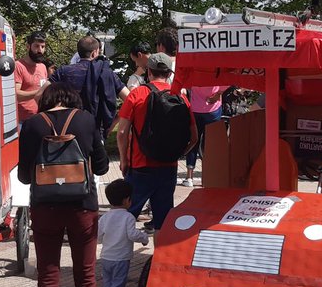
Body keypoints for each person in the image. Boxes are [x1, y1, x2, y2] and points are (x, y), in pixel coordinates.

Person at [16, 83, 109, 287]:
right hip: (82, 205)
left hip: (45, 207)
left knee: (47, 278)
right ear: (72, 99)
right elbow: (103, 166)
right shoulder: (86, 119)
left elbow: (23, 176)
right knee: (85, 275)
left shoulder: (31, 125)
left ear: (47, 100)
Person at [116, 53, 197, 233]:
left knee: (127, 216)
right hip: (168, 166)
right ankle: (158, 259)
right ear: (169, 73)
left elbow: (121, 132)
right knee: (163, 222)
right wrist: (178, 153)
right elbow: (194, 137)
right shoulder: (181, 97)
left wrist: (123, 160)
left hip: (139, 165)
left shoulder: (137, 94)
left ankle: (120, 259)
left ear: (148, 72)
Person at [51, 34, 128, 140]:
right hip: (96, 129)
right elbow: (129, 99)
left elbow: (40, 94)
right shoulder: (106, 73)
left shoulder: (63, 71)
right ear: (94, 53)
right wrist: (113, 122)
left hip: (67, 129)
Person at [97, 177, 150, 287]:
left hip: (106, 256)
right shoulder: (128, 217)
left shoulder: (104, 217)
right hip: (121, 258)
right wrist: (144, 238)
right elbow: (133, 235)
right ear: (127, 200)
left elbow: (97, 236)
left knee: (108, 280)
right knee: (119, 281)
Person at [182, 84, 227, 185]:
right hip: (213, 108)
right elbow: (228, 80)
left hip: (195, 108)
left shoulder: (194, 68)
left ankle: (189, 177)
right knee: (210, 143)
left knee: (193, 141)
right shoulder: (216, 68)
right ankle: (208, 177)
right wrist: (219, 93)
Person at [13, 30, 50, 124]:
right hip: (23, 121)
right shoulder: (18, 66)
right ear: (28, 47)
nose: (40, 50)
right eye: (36, 46)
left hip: (41, 117)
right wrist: (40, 92)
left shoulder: (42, 67)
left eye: (43, 47)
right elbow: (16, 95)